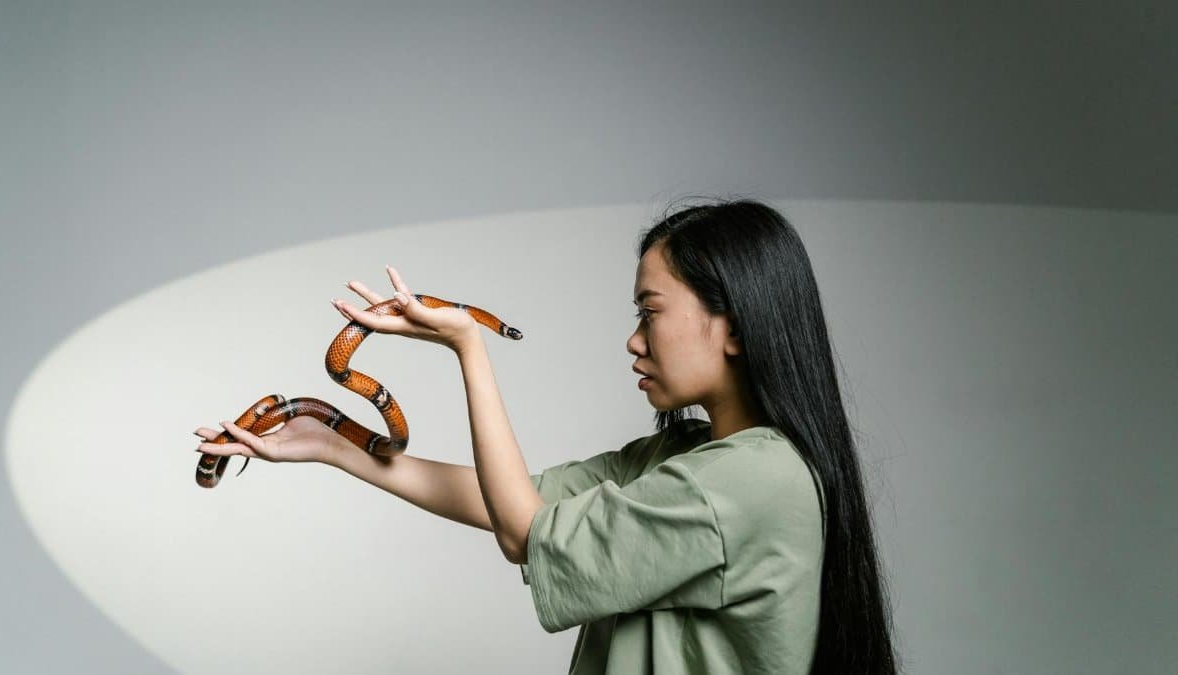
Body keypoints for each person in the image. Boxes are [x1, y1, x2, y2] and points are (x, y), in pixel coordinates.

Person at [194, 198, 899, 674]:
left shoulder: (755, 480)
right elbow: (510, 501)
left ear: (735, 324)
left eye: (650, 312)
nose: (633, 339)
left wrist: (469, 346)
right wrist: (328, 442)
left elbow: (522, 532)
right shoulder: (685, 454)